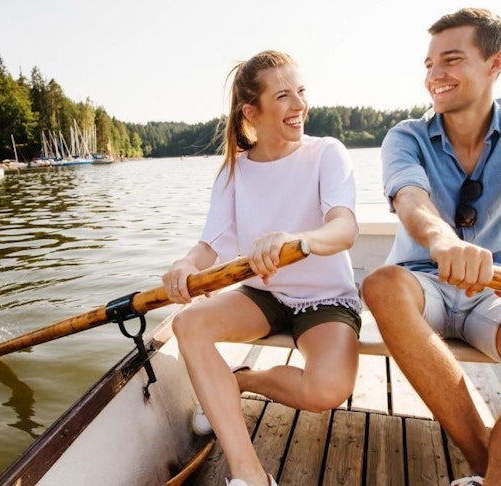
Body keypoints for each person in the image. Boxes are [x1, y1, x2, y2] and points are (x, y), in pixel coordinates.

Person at [361, 8, 501, 486]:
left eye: (451, 59)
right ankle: (484, 459)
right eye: (428, 64)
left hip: (499, 289)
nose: (434, 75)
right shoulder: (406, 136)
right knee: (382, 285)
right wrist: (443, 240)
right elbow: (410, 198)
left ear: (495, 62)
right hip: (426, 282)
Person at [162, 50, 362, 486]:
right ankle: (248, 474)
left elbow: (344, 229)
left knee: (325, 391)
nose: (300, 105)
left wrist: (299, 241)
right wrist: (184, 265)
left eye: (302, 92)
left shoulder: (328, 152)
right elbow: (209, 246)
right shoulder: (234, 170)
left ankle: (245, 381)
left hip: (324, 297)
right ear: (253, 111)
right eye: (284, 95)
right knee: (190, 324)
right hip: (264, 294)